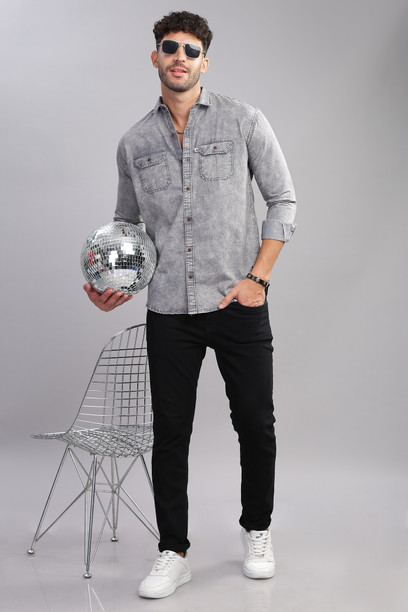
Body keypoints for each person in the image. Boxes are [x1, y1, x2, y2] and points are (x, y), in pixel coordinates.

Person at [84, 10, 296, 599]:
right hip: (169, 311)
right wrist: (113, 284)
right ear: (155, 56)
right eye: (169, 47)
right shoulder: (135, 143)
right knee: (171, 433)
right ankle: (173, 551)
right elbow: (127, 228)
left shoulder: (244, 120)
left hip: (237, 302)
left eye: (191, 49)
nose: (180, 57)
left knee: (255, 423)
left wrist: (258, 278)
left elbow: (283, 199)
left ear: (205, 61)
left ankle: (257, 529)